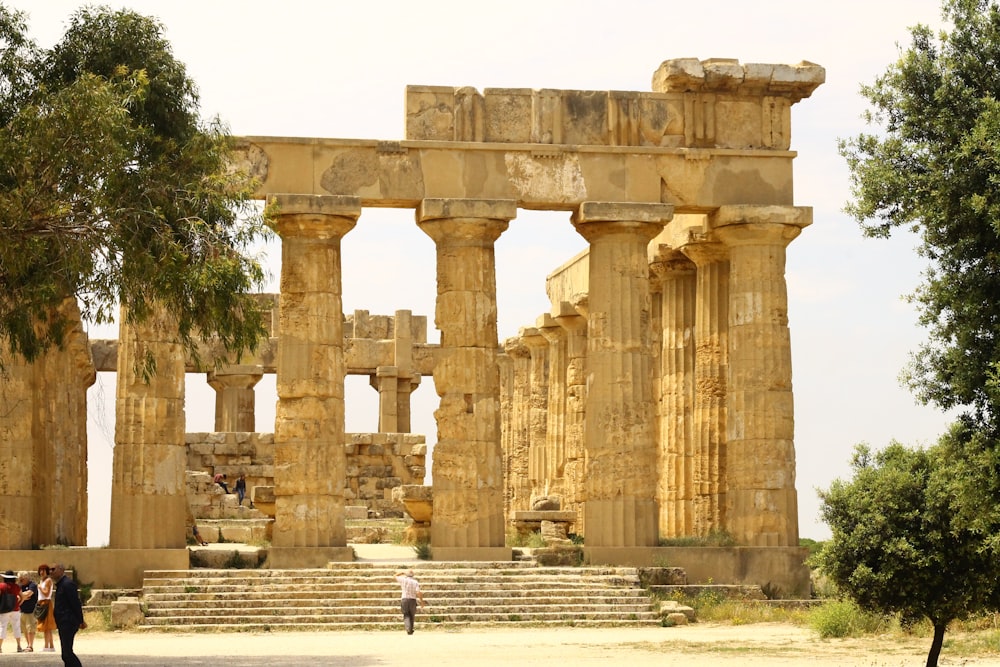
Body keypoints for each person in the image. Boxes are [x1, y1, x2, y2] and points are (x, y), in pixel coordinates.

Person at [51, 563, 85, 667]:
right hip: (63, 622)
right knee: (66, 653)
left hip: (68, 622)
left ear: (61, 570)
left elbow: (75, 603)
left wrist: (81, 620)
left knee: (67, 654)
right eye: (50, 570)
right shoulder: (61, 585)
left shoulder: (67, 584)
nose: (51, 572)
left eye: (53, 569)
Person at [393, 568, 427, 635]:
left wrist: (402, 572)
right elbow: (418, 592)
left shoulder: (403, 580)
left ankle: (408, 629)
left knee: (406, 615)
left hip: (404, 599)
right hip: (412, 600)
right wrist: (422, 602)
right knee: (412, 615)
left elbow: (394, 576)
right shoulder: (415, 582)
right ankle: (410, 629)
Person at [0, 570, 24, 653]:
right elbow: (22, 597)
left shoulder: (1, 586)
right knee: (17, 627)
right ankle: (19, 646)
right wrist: (19, 603)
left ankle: (0, 647)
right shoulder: (16, 586)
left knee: (3, 627)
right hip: (15, 609)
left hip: (4, 609)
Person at [35, 564, 56, 652]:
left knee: (46, 626)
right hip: (41, 603)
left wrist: (40, 588)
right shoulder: (42, 580)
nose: (41, 572)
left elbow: (46, 593)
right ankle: (51, 646)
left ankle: (46, 646)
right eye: (40, 570)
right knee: (47, 627)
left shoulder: (48, 581)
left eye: (43, 570)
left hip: (46, 603)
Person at [16, 572, 36, 652]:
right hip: (22, 610)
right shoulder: (20, 586)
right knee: (24, 629)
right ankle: (28, 644)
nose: (20, 581)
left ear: (26, 578)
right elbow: (16, 596)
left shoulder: (32, 585)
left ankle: (30, 646)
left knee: (30, 629)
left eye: (22, 579)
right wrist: (22, 597)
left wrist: (21, 596)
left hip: (31, 611)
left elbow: (29, 593)